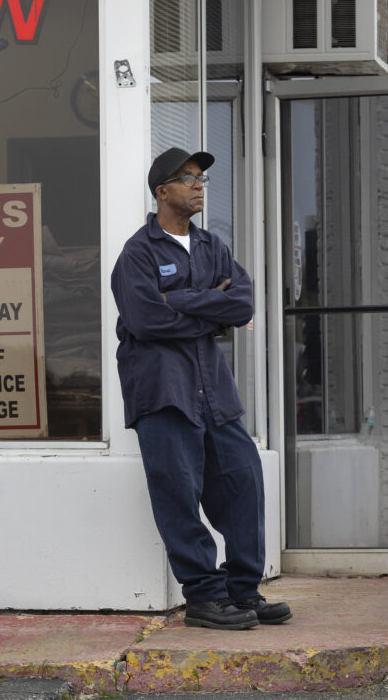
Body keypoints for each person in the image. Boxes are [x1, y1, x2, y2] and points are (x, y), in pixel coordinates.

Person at [111, 147, 291, 629]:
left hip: (215, 391)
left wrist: (187, 302)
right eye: (186, 177)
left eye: (201, 179)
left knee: (243, 482)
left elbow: (243, 305)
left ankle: (242, 591)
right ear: (161, 191)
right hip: (163, 393)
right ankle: (204, 598)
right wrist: (212, 306)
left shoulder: (214, 247)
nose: (197, 185)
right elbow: (147, 320)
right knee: (178, 493)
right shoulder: (137, 253)